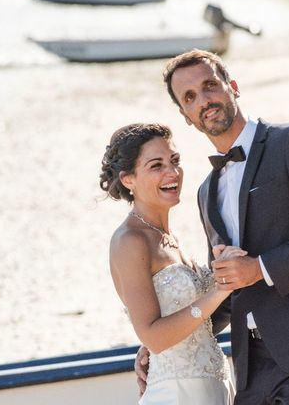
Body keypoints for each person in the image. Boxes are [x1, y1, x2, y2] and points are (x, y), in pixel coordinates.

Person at [135, 50, 289, 404]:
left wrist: (259, 268)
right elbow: (230, 285)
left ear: (233, 87)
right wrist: (171, 343)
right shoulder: (205, 192)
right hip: (251, 364)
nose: (204, 100)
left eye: (210, 85)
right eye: (190, 97)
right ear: (185, 116)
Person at [100, 123, 244, 404]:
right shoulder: (130, 241)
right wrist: (221, 288)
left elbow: (188, 323)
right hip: (177, 395)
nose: (172, 172)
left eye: (174, 161)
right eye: (156, 165)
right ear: (129, 179)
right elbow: (155, 337)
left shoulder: (171, 238)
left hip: (215, 387)